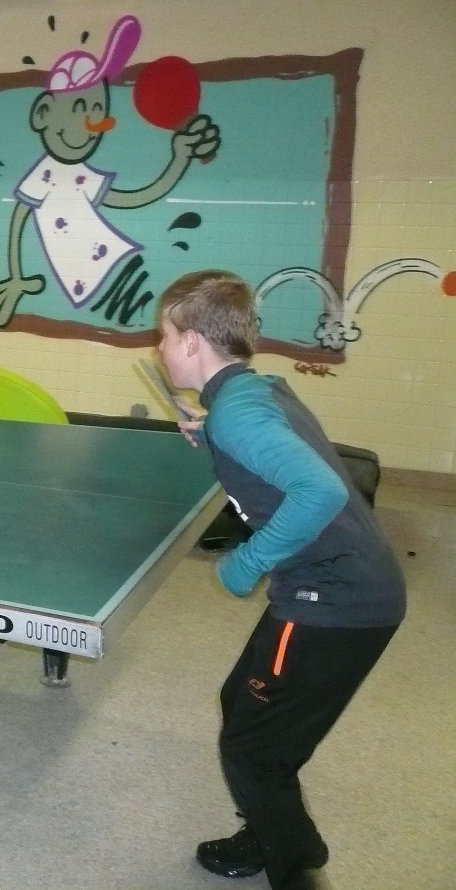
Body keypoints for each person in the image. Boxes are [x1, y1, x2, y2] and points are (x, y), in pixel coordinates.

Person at [156, 270, 405, 890]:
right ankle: (272, 831)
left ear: (191, 342)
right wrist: (210, 429)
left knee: (252, 749)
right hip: (353, 584)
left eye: (164, 336)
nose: (158, 348)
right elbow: (273, 441)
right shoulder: (252, 391)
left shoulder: (238, 415)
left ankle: (296, 867)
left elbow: (318, 490)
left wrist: (244, 564)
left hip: (334, 598)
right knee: (242, 703)